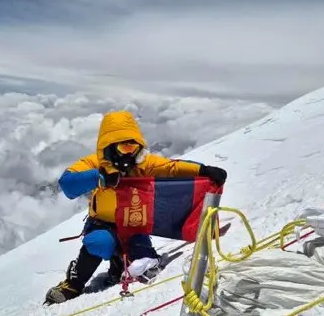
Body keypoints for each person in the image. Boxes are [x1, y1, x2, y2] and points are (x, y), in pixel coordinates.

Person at [44, 111, 227, 305]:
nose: (130, 152)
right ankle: (73, 283)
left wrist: (203, 170)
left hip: (134, 223)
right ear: (110, 147)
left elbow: (171, 167)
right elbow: (68, 184)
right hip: (103, 225)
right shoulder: (95, 163)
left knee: (145, 264)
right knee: (100, 243)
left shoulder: (143, 163)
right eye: (124, 146)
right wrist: (99, 177)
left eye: (134, 146)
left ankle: (118, 264)